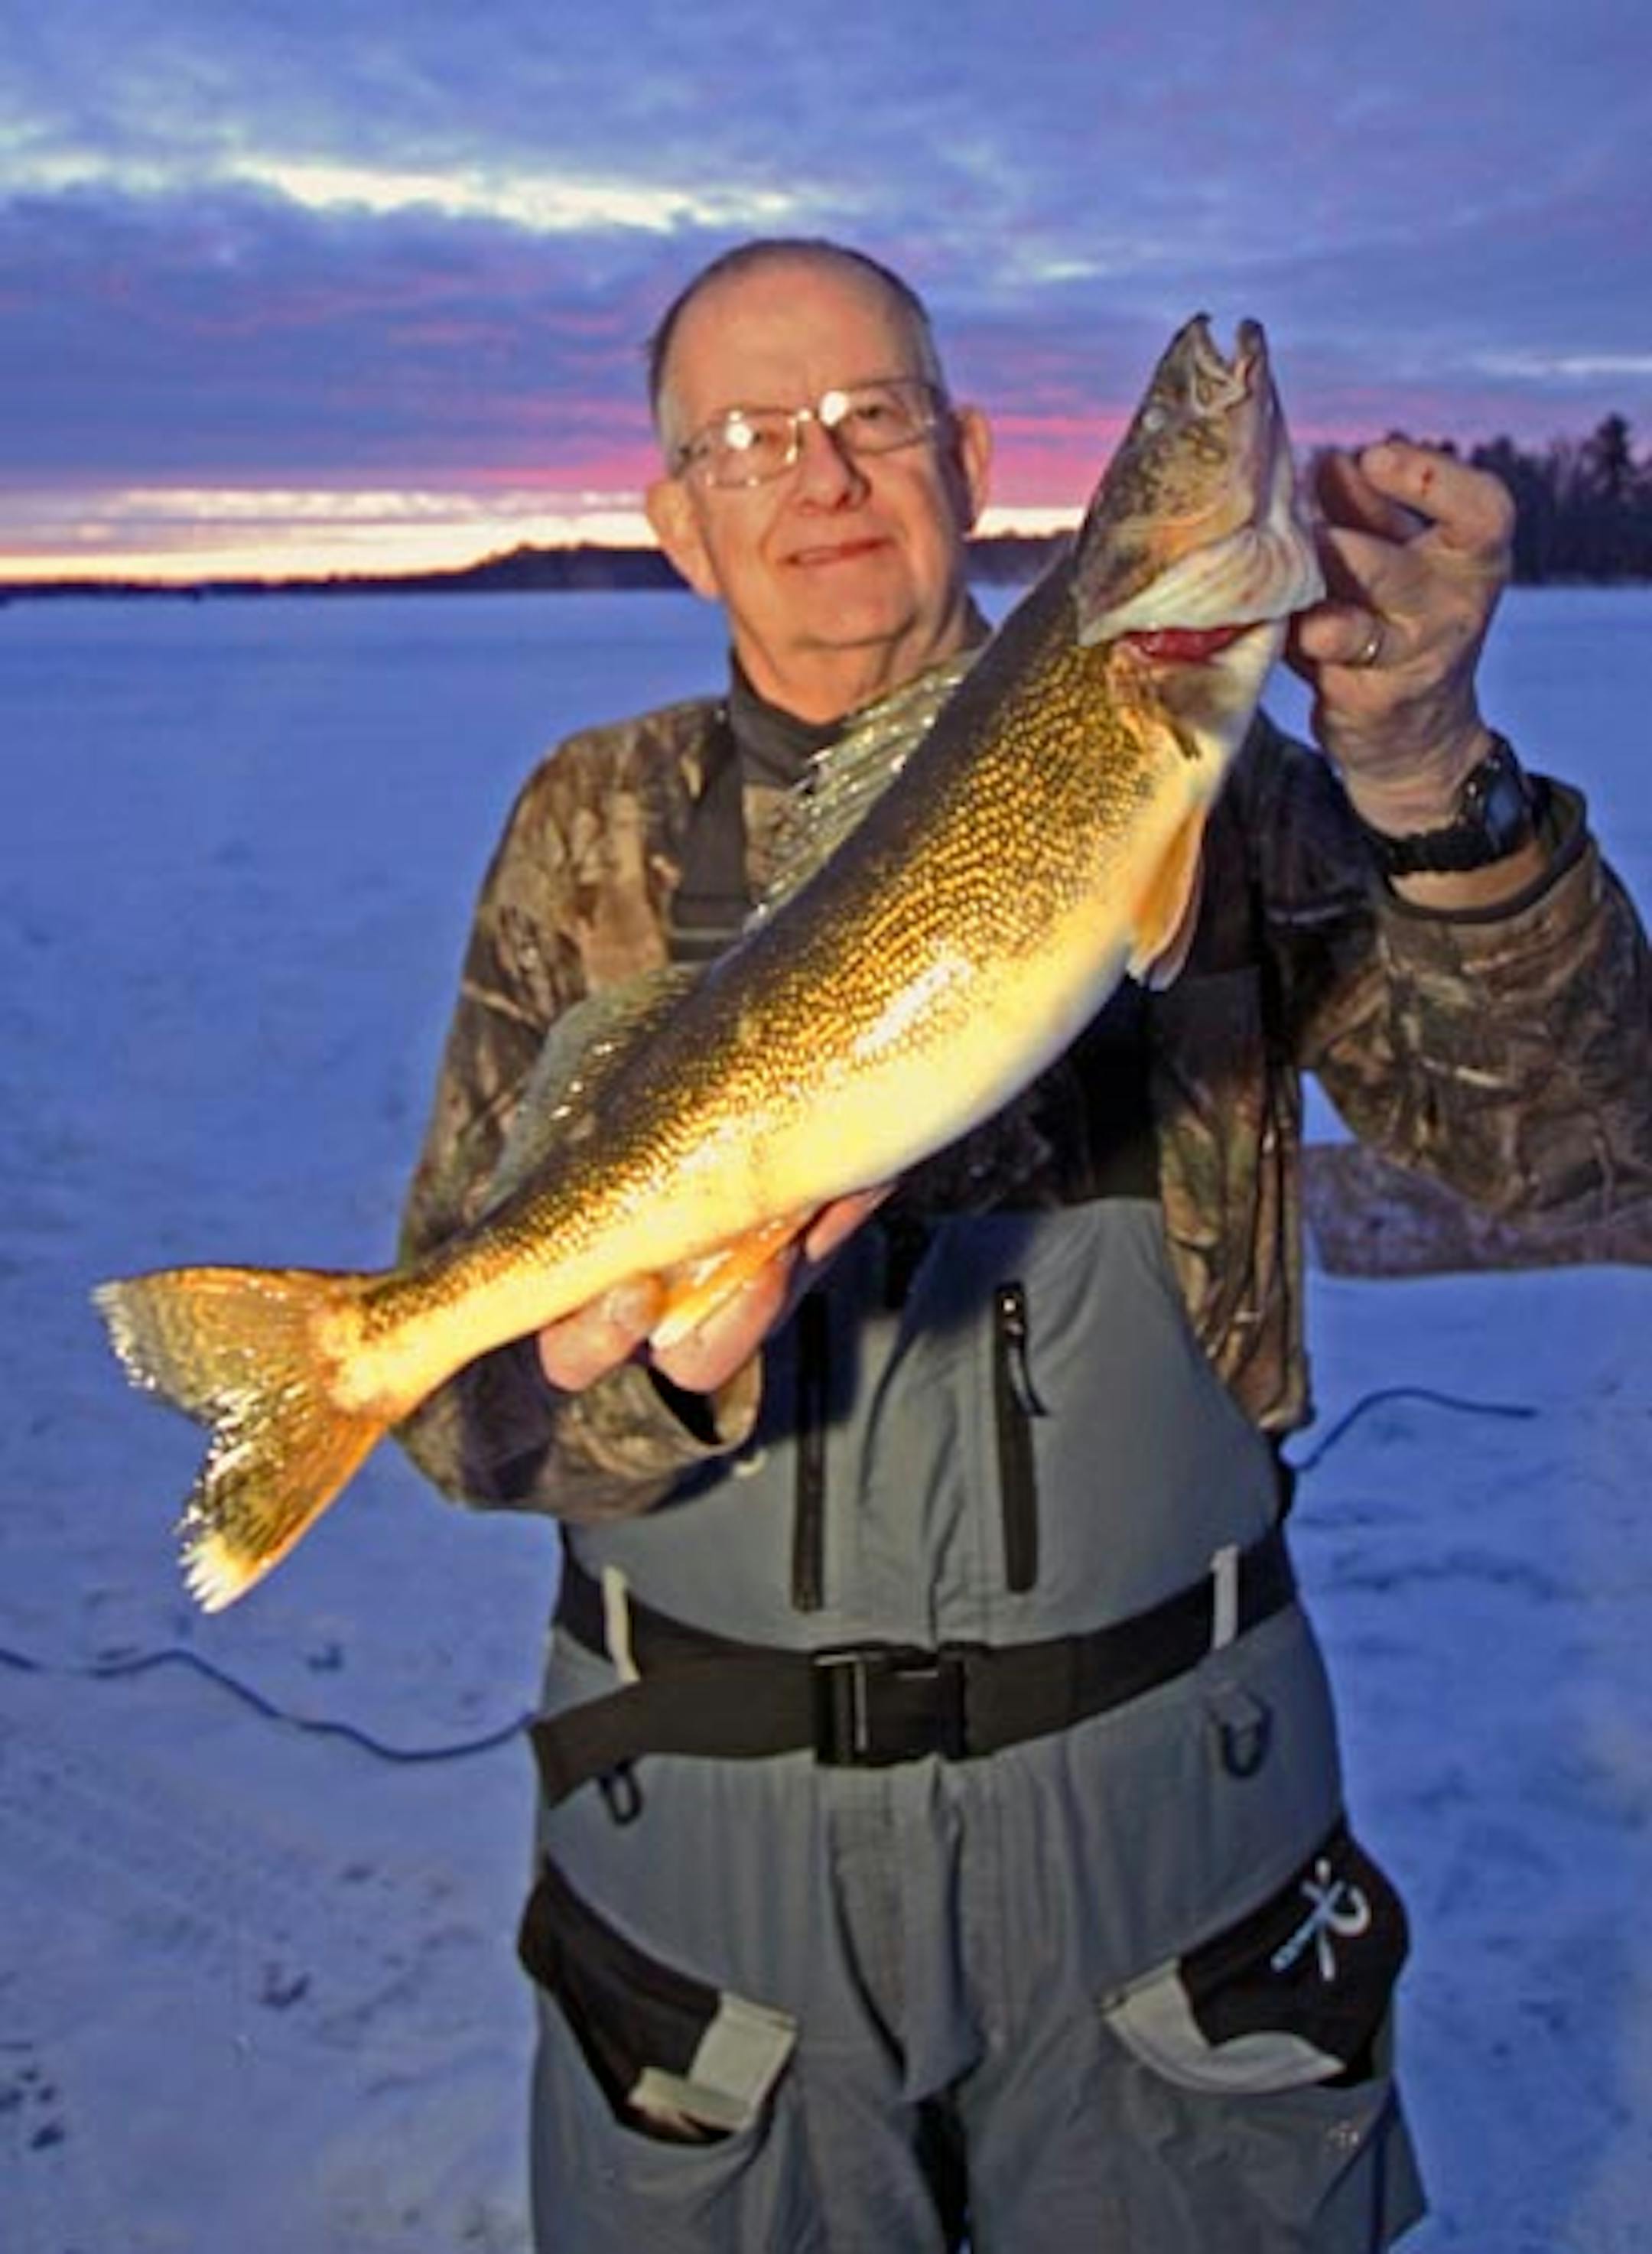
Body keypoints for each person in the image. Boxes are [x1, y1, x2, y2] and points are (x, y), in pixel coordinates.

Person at [397, 239, 1652, 2252]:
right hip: (710, 1879)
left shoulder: (1220, 786)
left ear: (978, 459)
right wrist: (647, 1368)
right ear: (673, 517)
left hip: (1172, 1837)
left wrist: (1433, 781)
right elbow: (465, 1417)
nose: (819, 475)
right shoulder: (587, 831)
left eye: (873, 416)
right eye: (747, 437)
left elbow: (1596, 1159)